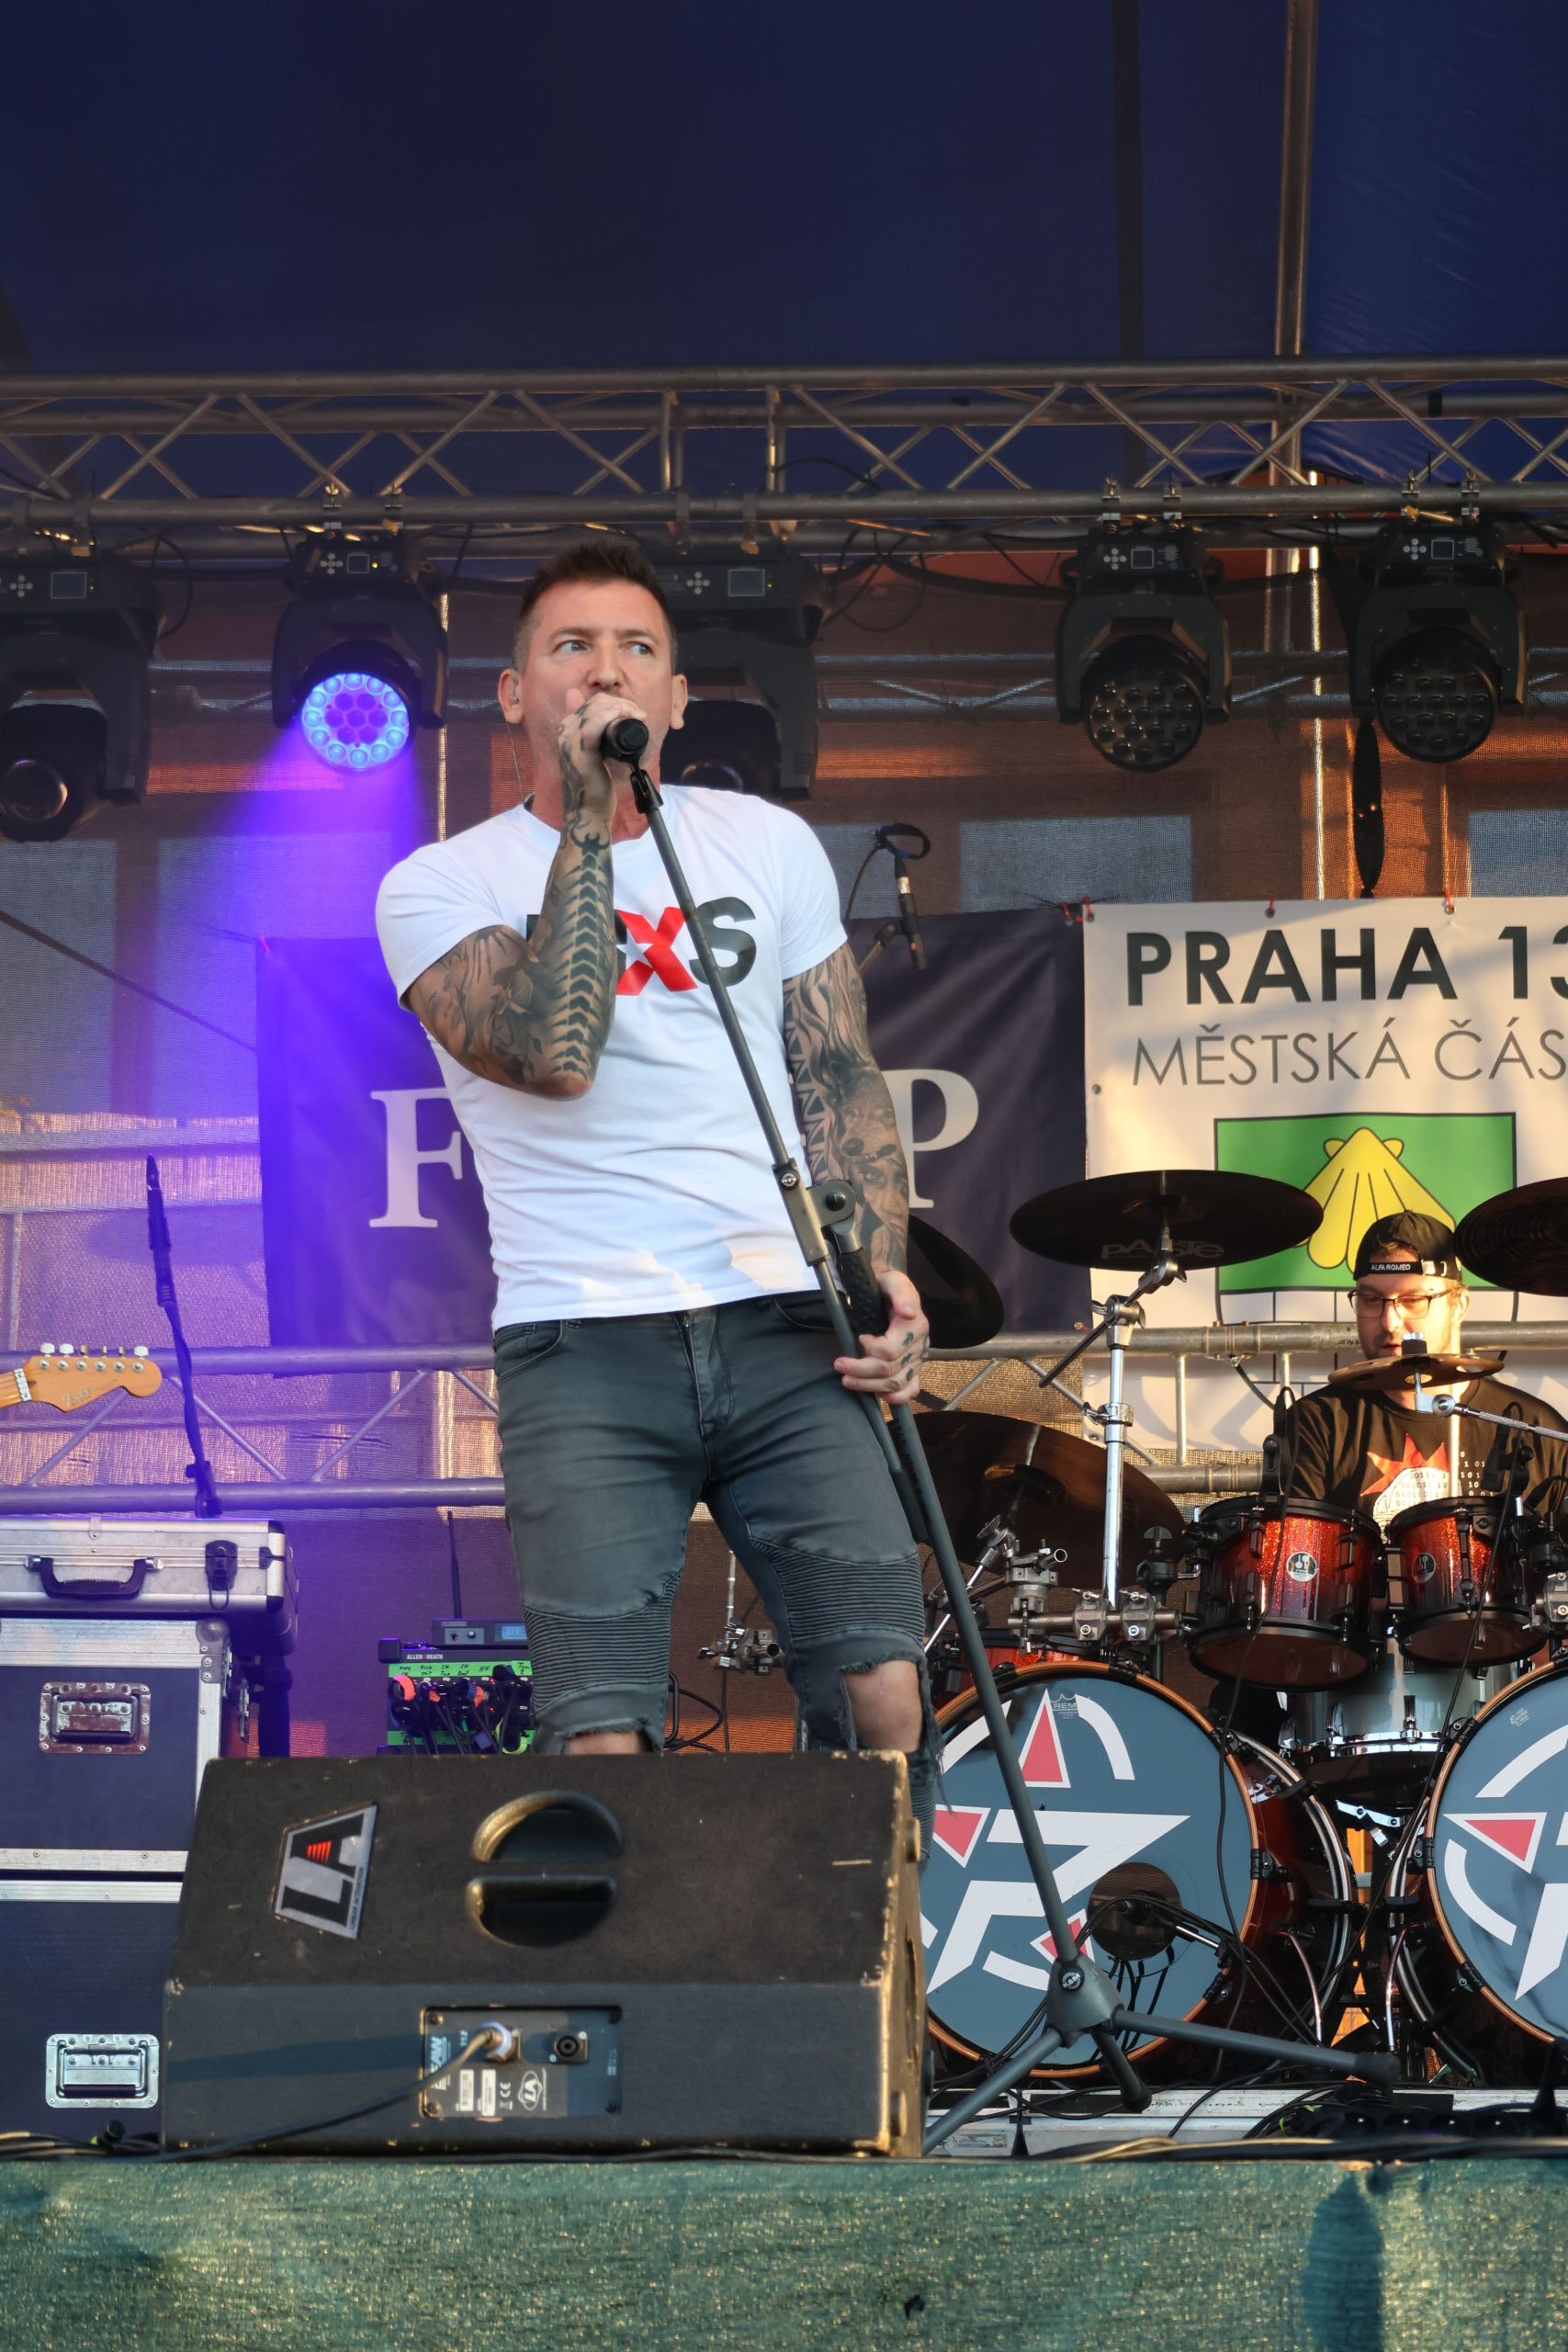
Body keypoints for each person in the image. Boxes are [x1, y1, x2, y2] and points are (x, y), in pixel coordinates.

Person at [375, 540, 938, 1848]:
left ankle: (849, 1960)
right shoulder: (438, 883)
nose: (604, 668)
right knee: (602, 1733)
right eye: (569, 646)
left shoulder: (766, 844)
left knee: (882, 1686)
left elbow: (836, 1075)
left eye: (635, 647)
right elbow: (552, 1053)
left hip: (783, 1323)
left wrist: (880, 1278)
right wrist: (588, 823)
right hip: (584, 1340)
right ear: (513, 694)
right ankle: (653, 1973)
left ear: (677, 698)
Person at [1281, 1211, 1568, 1528]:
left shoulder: (1538, 1429)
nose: (1389, 1322)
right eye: (1371, 1300)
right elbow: (1301, 1551)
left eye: (1413, 1300)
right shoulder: (1318, 1421)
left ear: (1459, 1304)